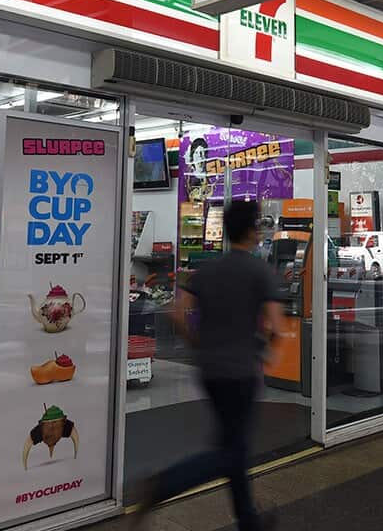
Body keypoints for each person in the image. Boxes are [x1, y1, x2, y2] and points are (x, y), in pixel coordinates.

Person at [135, 199, 284, 531]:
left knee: (232, 444)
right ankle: (162, 484)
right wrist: (265, 351)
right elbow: (275, 325)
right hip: (241, 373)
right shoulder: (260, 271)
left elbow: (176, 313)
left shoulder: (208, 270)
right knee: (232, 453)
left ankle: (249, 521)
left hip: (210, 371)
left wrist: (197, 343)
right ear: (251, 230)